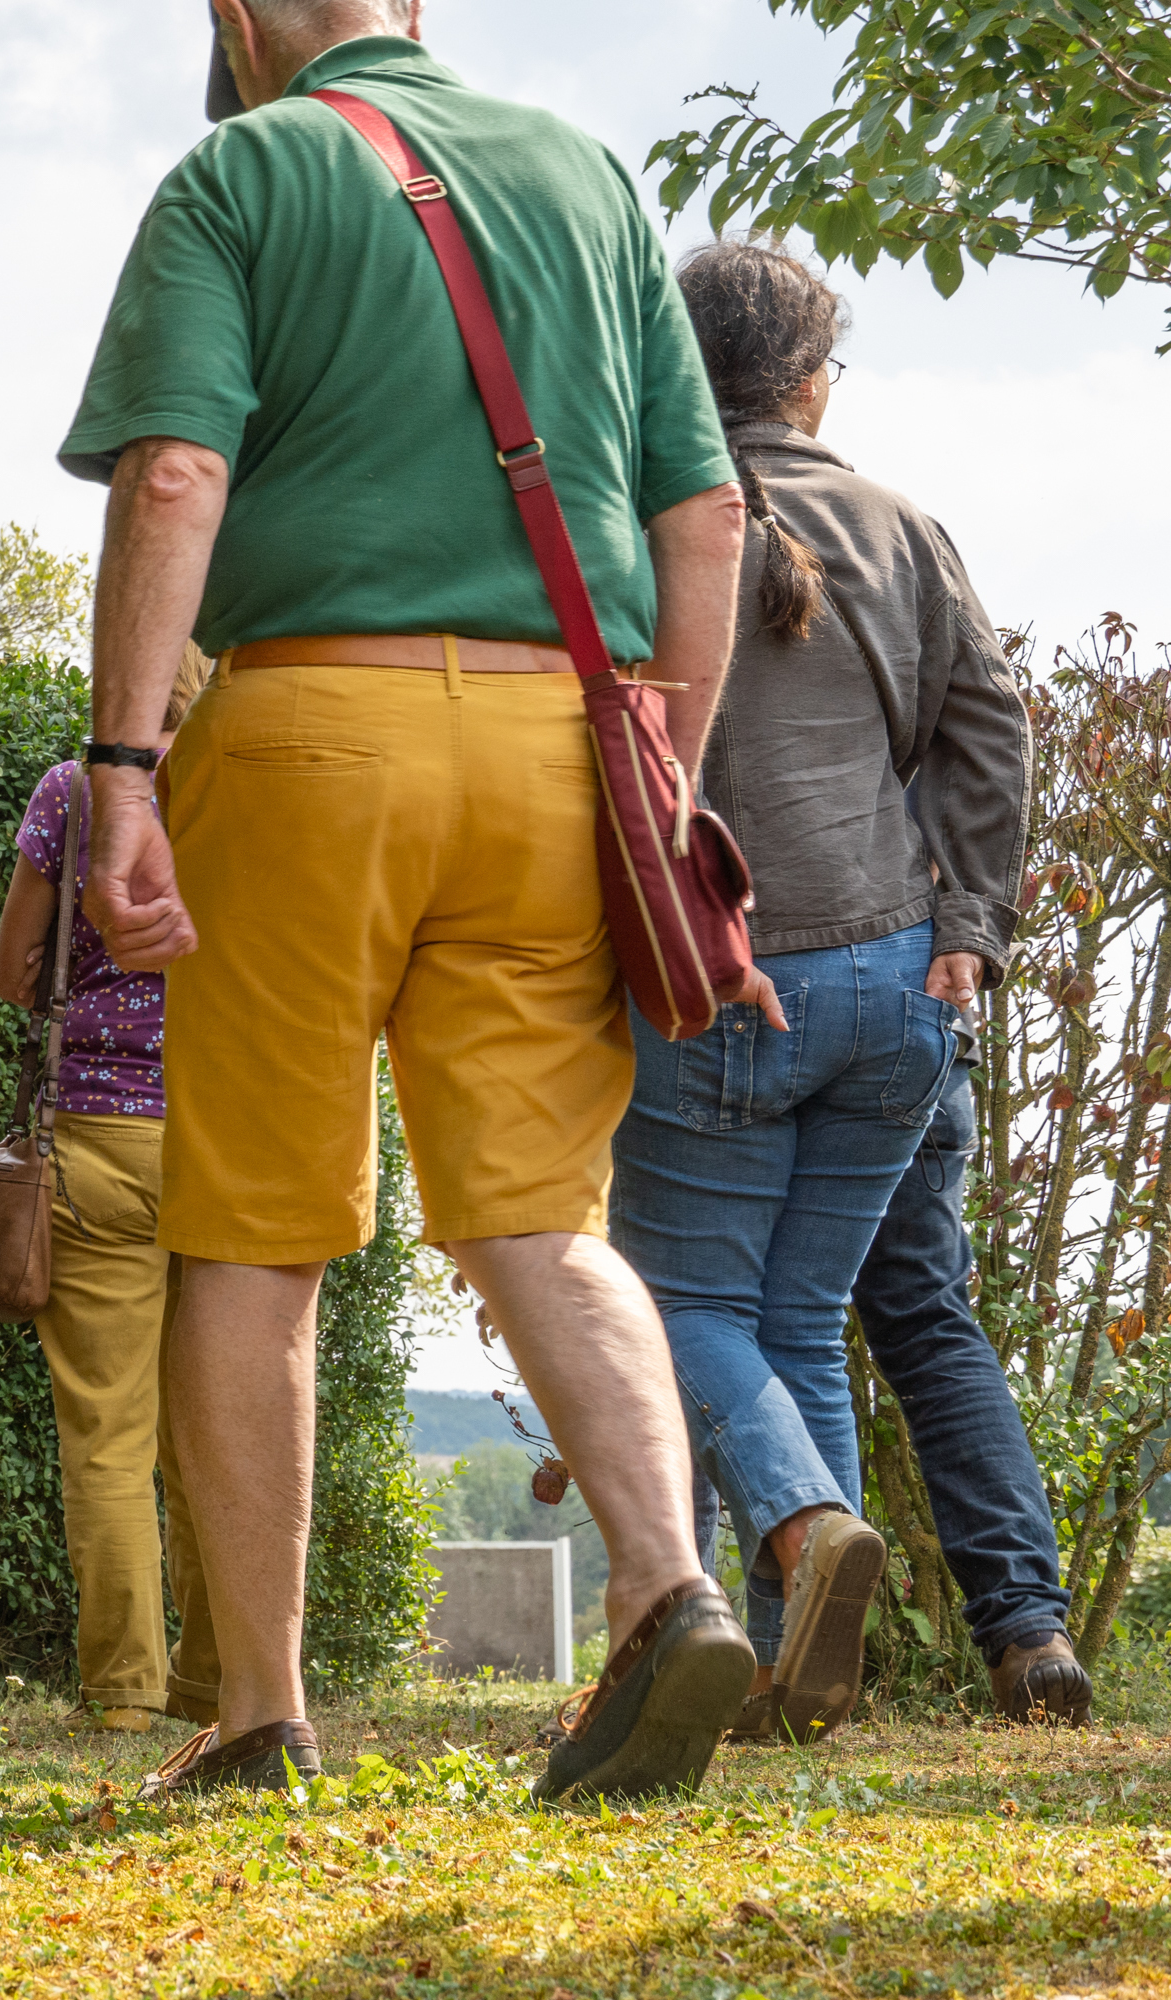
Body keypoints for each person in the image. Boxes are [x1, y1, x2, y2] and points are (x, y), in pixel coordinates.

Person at [61, 0, 765, 1800]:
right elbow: (707, 522)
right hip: (558, 744)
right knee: (542, 1207)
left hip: (307, 736)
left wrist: (125, 772)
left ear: (235, 20)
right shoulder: (592, 181)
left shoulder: (244, 168)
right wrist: (659, 770)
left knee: (256, 1227)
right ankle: (672, 1588)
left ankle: (265, 1711)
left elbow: (177, 473)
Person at [610, 241, 1033, 1745]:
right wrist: (969, 927)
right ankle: (804, 1671)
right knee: (794, 1323)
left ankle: (794, 1533)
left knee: (675, 1305)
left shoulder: (636, 515)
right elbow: (990, 724)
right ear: (811, 377)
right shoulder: (904, 525)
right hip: (898, 980)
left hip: (721, 981)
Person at [0, 698, 228, 1738]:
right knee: (223, 1430)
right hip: (235, 1135)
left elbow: (16, 970)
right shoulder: (268, 781)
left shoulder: (77, 792)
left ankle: (126, 1691)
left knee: (108, 1434)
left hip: (96, 1132)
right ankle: (223, 1680)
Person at [853, 1073, 1087, 1725]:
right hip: (919, 1044)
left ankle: (742, 1640)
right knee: (932, 1326)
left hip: (763, 1024)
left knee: (723, 1314)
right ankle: (1030, 1631)